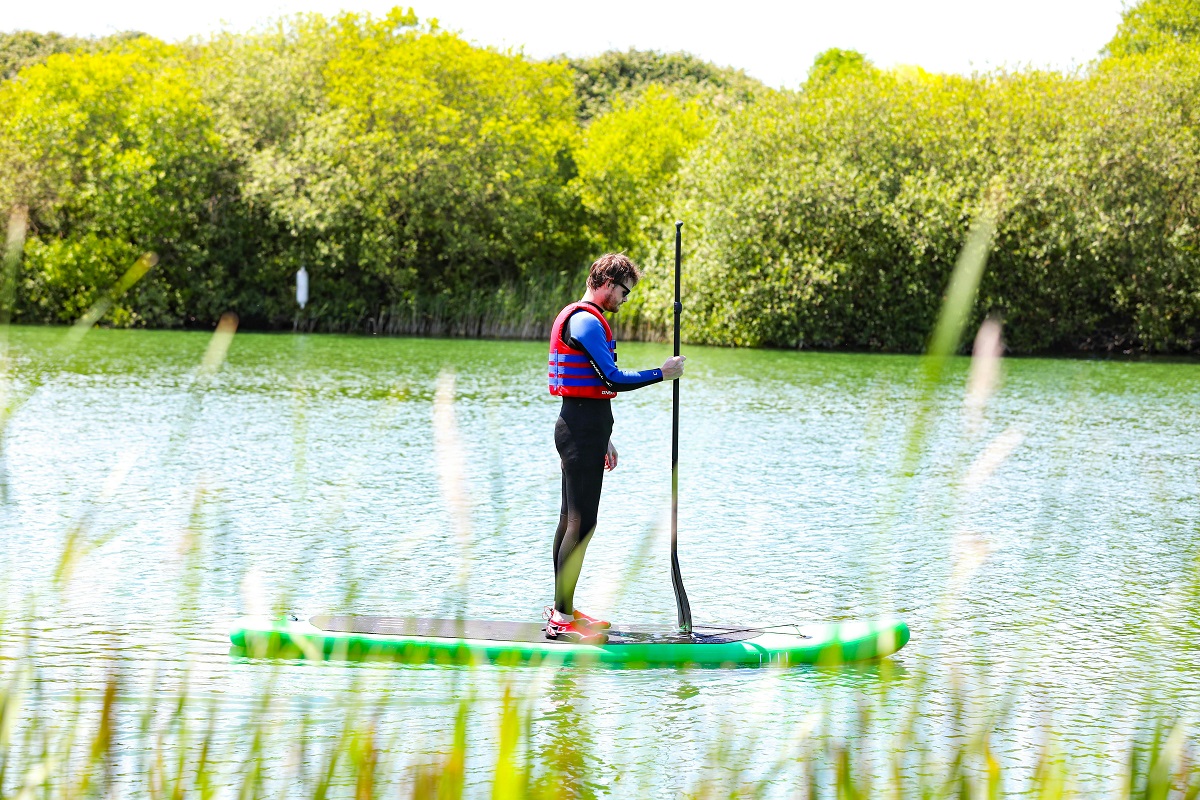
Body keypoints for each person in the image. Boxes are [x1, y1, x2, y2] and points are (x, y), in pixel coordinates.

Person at [543, 253, 685, 643]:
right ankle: (561, 618)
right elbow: (613, 378)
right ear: (606, 283)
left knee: (571, 520)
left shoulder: (585, 319)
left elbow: (590, 386)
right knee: (581, 523)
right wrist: (662, 372)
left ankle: (564, 611)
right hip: (579, 430)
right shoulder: (586, 320)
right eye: (623, 292)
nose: (624, 300)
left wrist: (603, 436)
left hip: (584, 428)